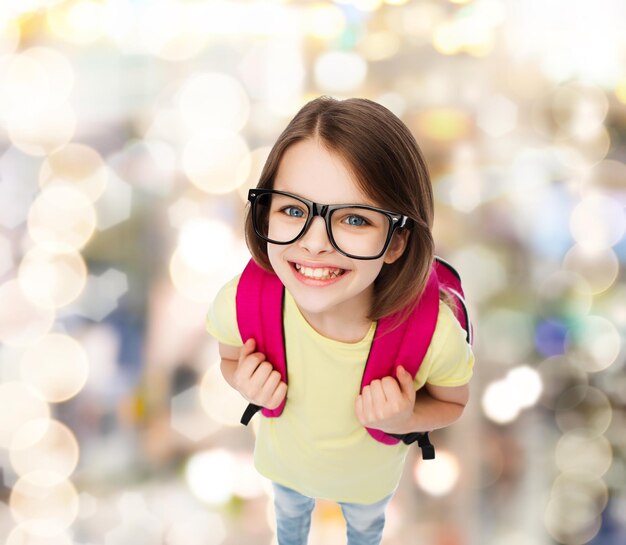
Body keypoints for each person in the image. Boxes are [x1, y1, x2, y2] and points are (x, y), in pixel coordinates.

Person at [206, 96, 475, 545]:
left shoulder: (433, 335)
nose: (314, 244)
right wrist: (242, 381)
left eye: (353, 218)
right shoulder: (243, 300)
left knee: (365, 529)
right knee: (288, 519)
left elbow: (453, 402)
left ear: (396, 242)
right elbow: (228, 357)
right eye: (292, 210)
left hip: (367, 486)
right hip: (284, 469)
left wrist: (407, 415)